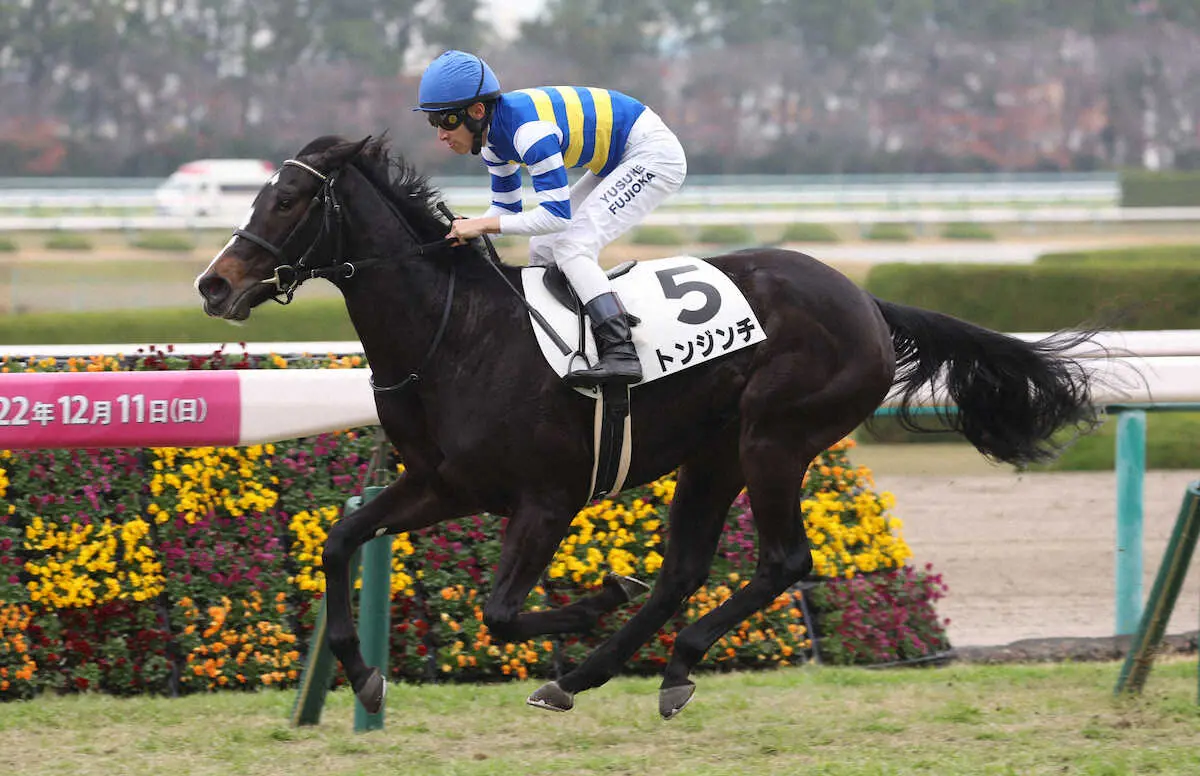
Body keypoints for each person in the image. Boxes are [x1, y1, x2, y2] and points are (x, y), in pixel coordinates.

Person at [415, 50, 688, 388]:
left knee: (573, 245)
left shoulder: (528, 133)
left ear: (477, 111)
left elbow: (556, 217)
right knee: (543, 245)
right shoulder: (492, 143)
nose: (441, 133)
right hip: (617, 158)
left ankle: (621, 352)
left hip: (652, 154)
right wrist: (463, 232)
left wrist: (480, 226)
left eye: (447, 120)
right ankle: (563, 336)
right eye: (433, 121)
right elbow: (506, 212)